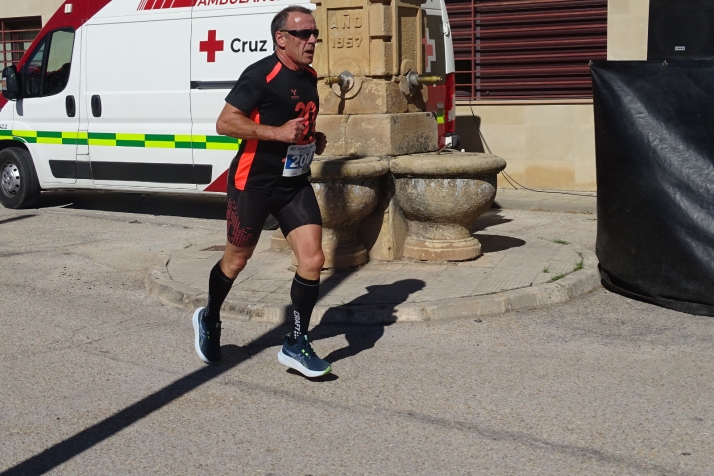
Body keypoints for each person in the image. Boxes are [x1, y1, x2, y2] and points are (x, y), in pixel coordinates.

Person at [192, 5, 331, 378]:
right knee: (236, 261)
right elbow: (225, 122)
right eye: (303, 34)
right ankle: (210, 316)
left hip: (293, 183)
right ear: (281, 38)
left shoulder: (311, 77)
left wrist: (310, 138)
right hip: (252, 184)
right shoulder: (260, 74)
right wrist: (277, 133)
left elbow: (295, 122)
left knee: (313, 259)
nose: (312, 40)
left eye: (314, 33)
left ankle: (296, 343)